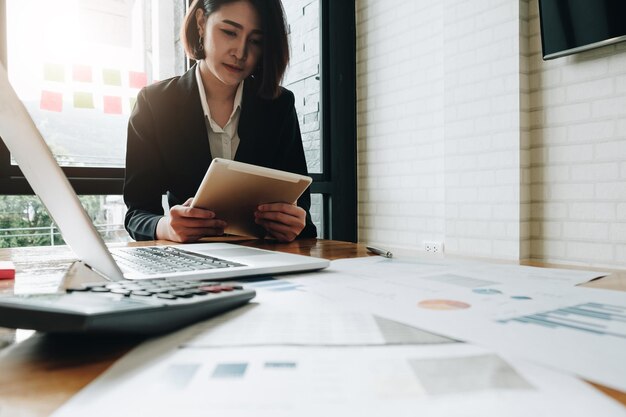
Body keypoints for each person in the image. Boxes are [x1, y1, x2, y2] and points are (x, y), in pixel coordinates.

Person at [123, 0, 317, 243]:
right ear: (201, 22)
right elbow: (137, 214)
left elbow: (302, 214)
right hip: (192, 260)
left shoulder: (279, 105)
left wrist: (294, 223)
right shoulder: (155, 103)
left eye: (255, 41)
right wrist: (167, 227)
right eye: (229, 32)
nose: (240, 53)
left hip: (263, 257)